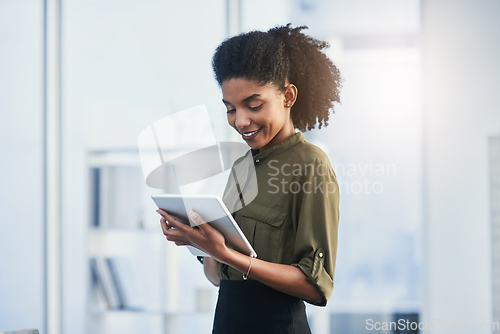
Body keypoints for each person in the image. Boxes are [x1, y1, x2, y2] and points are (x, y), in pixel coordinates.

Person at [157, 23, 341, 334]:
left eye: (253, 105)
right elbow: (220, 278)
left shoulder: (311, 164)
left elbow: (316, 287)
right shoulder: (243, 166)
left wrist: (226, 252)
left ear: (288, 96)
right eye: (230, 109)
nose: (240, 121)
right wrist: (201, 244)